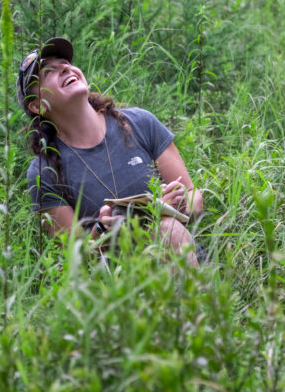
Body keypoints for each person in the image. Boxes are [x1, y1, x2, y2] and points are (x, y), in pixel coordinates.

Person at [18, 37, 203, 266]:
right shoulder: (43, 172)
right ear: (37, 106)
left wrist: (182, 203)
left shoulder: (140, 123)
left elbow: (195, 195)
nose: (65, 67)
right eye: (49, 72)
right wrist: (100, 230)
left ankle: (195, 298)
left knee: (166, 227)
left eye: (65, 62)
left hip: (179, 254)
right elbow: (76, 256)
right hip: (117, 284)